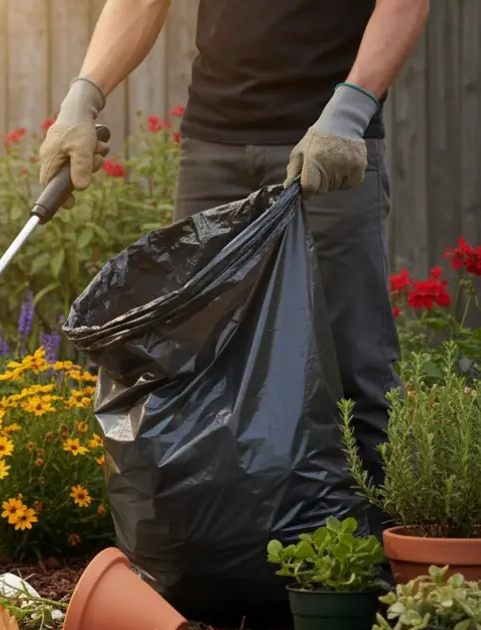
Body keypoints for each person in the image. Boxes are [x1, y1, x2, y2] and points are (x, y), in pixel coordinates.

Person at [38, 0, 430, 540]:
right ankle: (212, 570)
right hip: (212, 147)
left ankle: (375, 582)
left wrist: (351, 109)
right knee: (191, 369)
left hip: (329, 141)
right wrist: (83, 94)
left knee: (351, 361)